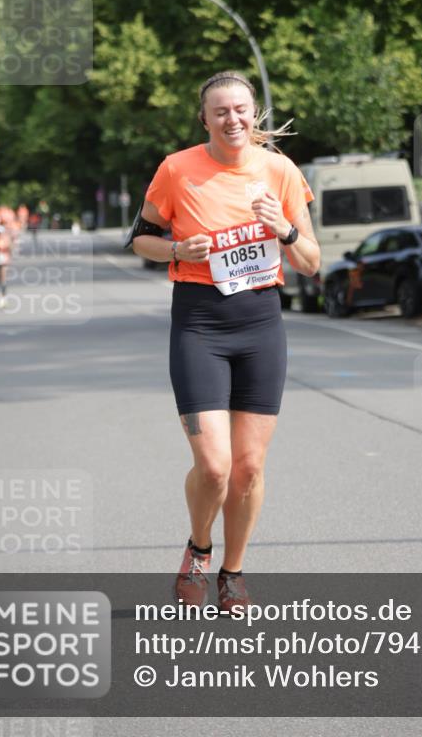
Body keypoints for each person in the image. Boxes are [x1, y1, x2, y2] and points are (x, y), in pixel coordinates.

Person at [132, 71, 320, 613]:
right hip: (199, 325)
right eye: (220, 111)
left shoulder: (280, 171)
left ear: (253, 112)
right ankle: (198, 549)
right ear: (205, 119)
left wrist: (284, 228)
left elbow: (312, 260)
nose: (232, 119)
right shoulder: (177, 169)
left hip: (261, 325)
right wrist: (175, 252)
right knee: (214, 465)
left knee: (249, 467)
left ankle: (232, 573)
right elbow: (139, 239)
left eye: (240, 109)